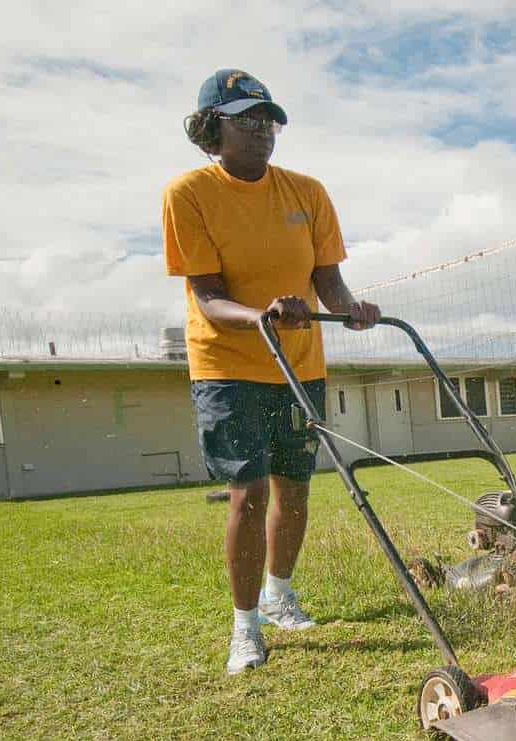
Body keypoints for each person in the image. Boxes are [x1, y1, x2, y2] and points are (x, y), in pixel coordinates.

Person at [162, 69, 380, 674]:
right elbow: (208, 296)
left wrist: (351, 309)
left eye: (269, 120)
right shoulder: (189, 194)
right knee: (249, 492)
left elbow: (329, 281)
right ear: (213, 129)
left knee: (295, 486)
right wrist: (262, 314)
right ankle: (245, 627)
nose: (263, 130)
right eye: (247, 120)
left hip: (299, 364)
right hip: (227, 365)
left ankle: (280, 596)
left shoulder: (307, 192)